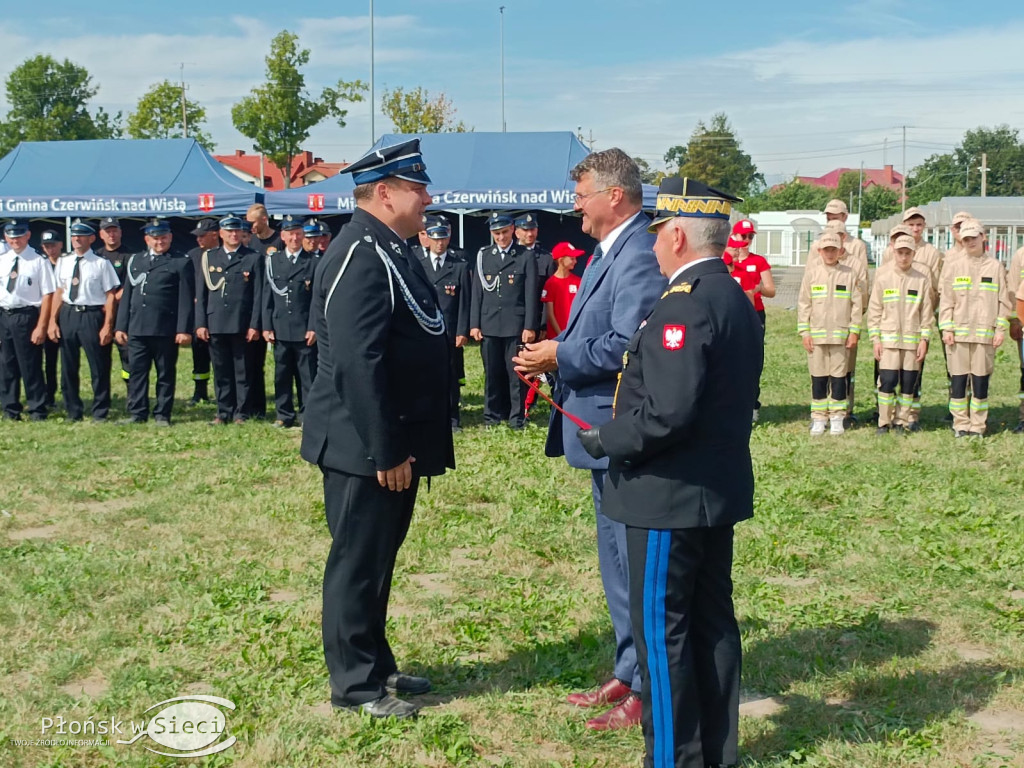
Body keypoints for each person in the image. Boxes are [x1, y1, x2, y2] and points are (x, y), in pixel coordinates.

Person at [574, 177, 760, 768]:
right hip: (709, 493)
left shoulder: (684, 303)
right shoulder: (729, 294)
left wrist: (604, 438)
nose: (652, 247)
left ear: (677, 234)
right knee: (710, 628)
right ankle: (713, 754)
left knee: (663, 637)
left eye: (657, 235)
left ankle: (674, 759)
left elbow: (667, 413)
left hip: (667, 498)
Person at [300, 138, 454, 720]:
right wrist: (386, 447)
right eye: (417, 189)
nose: (426, 199)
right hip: (364, 443)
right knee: (357, 563)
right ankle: (355, 685)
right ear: (385, 193)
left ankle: (376, 663)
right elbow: (355, 362)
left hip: (392, 438)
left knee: (379, 560)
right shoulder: (359, 253)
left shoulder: (390, 246)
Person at [514, 148, 666, 731]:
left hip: (613, 428)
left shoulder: (637, 257)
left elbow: (629, 342)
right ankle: (629, 668)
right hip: (594, 427)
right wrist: (550, 361)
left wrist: (560, 353)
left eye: (582, 194)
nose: (574, 204)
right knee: (614, 560)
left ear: (615, 196)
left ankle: (646, 686)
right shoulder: (613, 249)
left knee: (630, 565)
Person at [114, 218, 194, 426]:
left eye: (164, 238)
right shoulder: (136, 261)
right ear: (147, 239)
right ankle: (138, 412)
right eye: (155, 238)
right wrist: (121, 326)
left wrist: (183, 329)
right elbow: (127, 297)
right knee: (137, 373)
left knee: (165, 373)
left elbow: (185, 299)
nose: (160, 242)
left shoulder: (180, 261)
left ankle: (162, 413)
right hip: (138, 328)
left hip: (164, 328)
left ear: (170, 237)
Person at [938, 221, 1011, 437]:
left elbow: (1004, 303)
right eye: (966, 239)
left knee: (980, 383)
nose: (970, 242)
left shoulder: (995, 267)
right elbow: (947, 301)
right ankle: (961, 424)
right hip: (959, 335)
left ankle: (978, 425)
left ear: (983, 237)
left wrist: (1000, 329)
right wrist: (947, 328)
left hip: (984, 337)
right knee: (958, 382)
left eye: (974, 238)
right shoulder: (954, 266)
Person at [469, 212, 538, 430]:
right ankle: (492, 416)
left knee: (516, 374)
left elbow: (531, 295)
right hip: (489, 324)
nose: (501, 237)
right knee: (492, 373)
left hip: (514, 325)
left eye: (504, 232)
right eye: (496, 233)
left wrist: (529, 326)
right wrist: (474, 323)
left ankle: (517, 418)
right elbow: (477, 293)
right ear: (492, 233)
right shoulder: (484, 256)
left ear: (513, 231)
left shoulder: (525, 256)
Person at [47, 219, 120, 422]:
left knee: (99, 366)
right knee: (68, 366)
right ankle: (73, 410)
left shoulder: (101, 263)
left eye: (81, 235)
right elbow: (59, 291)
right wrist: (53, 321)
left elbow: (111, 295)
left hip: (92, 315)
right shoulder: (64, 261)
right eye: (74, 235)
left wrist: (108, 325)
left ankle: (100, 411)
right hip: (69, 314)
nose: (77, 239)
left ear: (91, 238)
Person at [194, 214, 263, 425]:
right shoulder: (210, 257)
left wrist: (254, 324)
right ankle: (223, 411)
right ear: (220, 234)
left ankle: (241, 412)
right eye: (229, 231)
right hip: (216, 323)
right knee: (221, 371)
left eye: (237, 231)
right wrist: (201, 323)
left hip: (241, 323)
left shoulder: (253, 257)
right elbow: (202, 294)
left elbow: (258, 294)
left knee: (242, 370)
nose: (234, 235)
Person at [797, 232, 864, 436]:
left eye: (833, 249)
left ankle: (837, 417)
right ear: (819, 251)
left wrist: (854, 331)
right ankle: (818, 417)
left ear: (840, 251)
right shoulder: (812, 274)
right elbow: (804, 304)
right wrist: (804, 332)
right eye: (826, 250)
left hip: (840, 337)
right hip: (817, 337)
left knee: (838, 378)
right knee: (818, 378)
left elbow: (856, 305)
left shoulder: (849, 274)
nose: (830, 253)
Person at [867, 234, 934, 434]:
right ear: (893, 252)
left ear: (914, 253)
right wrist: (876, 339)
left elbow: (927, 313)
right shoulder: (883, 277)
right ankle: (883, 421)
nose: (903, 257)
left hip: (912, 342)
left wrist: (924, 339)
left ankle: (901, 421)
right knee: (886, 382)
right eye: (900, 253)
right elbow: (875, 311)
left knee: (908, 384)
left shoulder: (921, 280)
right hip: (888, 341)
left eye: (908, 253)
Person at [416, 214, 470, 431]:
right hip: (423, 331)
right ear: (427, 237)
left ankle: (452, 418)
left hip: (449, 331)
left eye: (443, 238)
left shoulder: (459, 265)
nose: (439, 243)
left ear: (449, 238)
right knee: (423, 376)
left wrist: (462, 330)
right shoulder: (416, 263)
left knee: (450, 377)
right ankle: (427, 416)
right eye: (435, 238)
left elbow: (465, 302)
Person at [262, 214, 317, 428]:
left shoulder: (312, 261)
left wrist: (313, 327)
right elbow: (266, 296)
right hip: (280, 326)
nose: (294, 238)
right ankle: (284, 414)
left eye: (298, 234)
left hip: (304, 329)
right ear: (283, 236)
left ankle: (307, 414)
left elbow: (315, 300)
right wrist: (266, 325)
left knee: (307, 376)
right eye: (290, 234)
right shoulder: (273, 261)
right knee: (281, 374)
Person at [0, 220, 56, 421]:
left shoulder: (38, 261)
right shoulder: (2, 260)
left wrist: (42, 325)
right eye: (11, 236)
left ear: (28, 236)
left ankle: (37, 409)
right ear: (6, 237)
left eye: (19, 235)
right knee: (6, 365)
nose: (15, 240)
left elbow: (48, 295)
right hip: (4, 315)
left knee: (30, 365)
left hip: (27, 316)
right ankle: (10, 409)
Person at [729, 218, 773, 423]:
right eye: (743, 236)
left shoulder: (758, 261)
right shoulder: (728, 262)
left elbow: (771, 290)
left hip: (754, 312)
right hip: (733, 313)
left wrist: (757, 289)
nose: (746, 240)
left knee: (753, 358)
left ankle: (753, 404)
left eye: (750, 236)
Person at [95, 217, 132, 392]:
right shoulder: (95, 256)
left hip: (122, 314)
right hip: (100, 314)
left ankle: (132, 393)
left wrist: (113, 298)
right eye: (107, 231)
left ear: (121, 233)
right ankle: (103, 395)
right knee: (100, 357)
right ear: (101, 234)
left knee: (127, 356)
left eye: (114, 231)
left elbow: (131, 283)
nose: (111, 235)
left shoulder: (130, 256)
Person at [186, 218, 220, 405]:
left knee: (219, 356)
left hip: (218, 313)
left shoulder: (222, 254)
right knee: (199, 354)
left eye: (202, 236)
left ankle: (221, 392)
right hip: (198, 312)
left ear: (215, 235)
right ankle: (200, 391)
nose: (199, 240)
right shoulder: (193, 255)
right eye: (197, 237)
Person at [516, 213, 555, 328]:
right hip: (512, 320)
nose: (530, 234)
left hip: (536, 320)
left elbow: (549, 294)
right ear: (516, 232)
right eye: (525, 230)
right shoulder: (509, 256)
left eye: (532, 229)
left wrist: (544, 323)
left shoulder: (546, 258)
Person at [38, 229, 64, 408]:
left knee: (68, 359)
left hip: (65, 315)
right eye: (47, 246)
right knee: (49, 360)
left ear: (60, 244)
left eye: (53, 245)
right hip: (43, 316)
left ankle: (67, 392)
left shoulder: (68, 263)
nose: (50, 249)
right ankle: (49, 395)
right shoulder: (40, 264)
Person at [540, 242, 583, 338]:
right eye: (572, 258)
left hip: (575, 335)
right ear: (561, 260)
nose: (575, 261)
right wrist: (561, 335)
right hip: (556, 337)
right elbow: (550, 314)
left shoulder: (579, 282)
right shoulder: (550, 283)